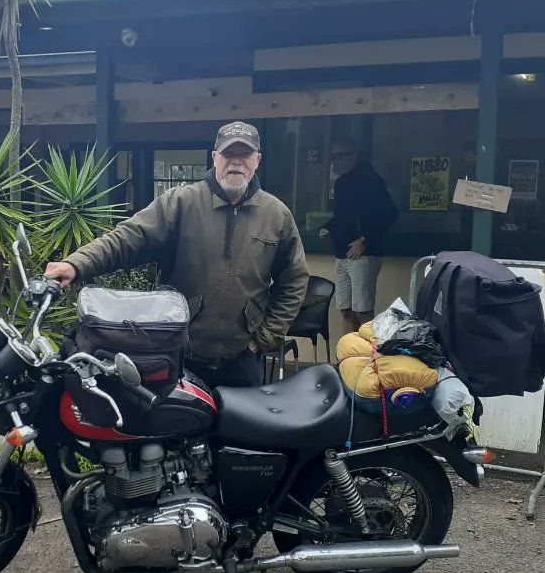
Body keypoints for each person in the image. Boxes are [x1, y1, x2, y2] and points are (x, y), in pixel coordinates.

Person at [44, 121, 309, 388]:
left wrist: (264, 338)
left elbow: (294, 280)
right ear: (215, 157)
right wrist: (75, 264)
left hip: (243, 360)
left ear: (257, 160)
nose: (236, 162)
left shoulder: (276, 215)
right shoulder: (180, 203)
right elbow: (127, 239)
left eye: (245, 154)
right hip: (178, 357)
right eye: (229, 153)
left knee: (239, 418)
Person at [321, 140, 398, 333]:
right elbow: (343, 217)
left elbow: (390, 213)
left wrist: (365, 240)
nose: (334, 161)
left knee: (363, 311)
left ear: (353, 156)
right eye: (332, 157)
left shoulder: (371, 181)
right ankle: (347, 351)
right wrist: (328, 229)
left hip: (364, 255)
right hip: (342, 254)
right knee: (346, 311)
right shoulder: (341, 183)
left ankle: (366, 351)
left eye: (339, 156)